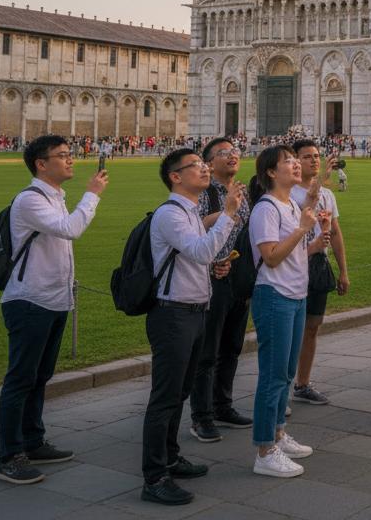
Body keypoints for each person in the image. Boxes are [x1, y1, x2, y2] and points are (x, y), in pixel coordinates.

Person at [0, 135, 108, 485]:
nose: (71, 160)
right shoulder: (31, 200)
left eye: (69, 154)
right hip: (29, 300)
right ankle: (9, 457)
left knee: (40, 377)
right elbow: (71, 230)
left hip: (55, 300)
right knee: (20, 379)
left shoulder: (55, 198)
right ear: (41, 164)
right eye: (62, 156)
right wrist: (93, 194)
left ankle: (33, 440)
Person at [141, 149, 243, 505]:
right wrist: (229, 213)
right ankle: (154, 476)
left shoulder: (190, 212)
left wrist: (217, 267)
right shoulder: (171, 214)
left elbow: (196, 258)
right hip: (173, 315)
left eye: (203, 165)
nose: (203, 169)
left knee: (180, 393)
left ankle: (170, 457)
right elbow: (200, 251)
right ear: (175, 177)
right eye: (196, 166)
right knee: (165, 397)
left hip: (194, 310)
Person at [247, 145, 327, 478]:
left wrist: (313, 242)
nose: (296, 164)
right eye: (288, 162)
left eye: (296, 160)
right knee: (273, 375)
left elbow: (293, 254)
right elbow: (271, 257)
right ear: (270, 172)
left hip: (295, 294)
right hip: (274, 295)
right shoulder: (266, 208)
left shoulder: (291, 203)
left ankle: (279, 432)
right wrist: (301, 228)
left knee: (287, 373)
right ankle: (264, 449)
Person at [189, 138, 253, 444]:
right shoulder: (203, 192)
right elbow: (193, 227)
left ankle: (223, 405)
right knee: (207, 351)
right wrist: (227, 210)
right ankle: (201, 416)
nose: (232, 156)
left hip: (237, 278)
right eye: (224, 153)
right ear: (209, 163)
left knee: (232, 346)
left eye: (234, 152)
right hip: (209, 276)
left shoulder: (242, 191)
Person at [290, 141, 349, 406]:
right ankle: (280, 388)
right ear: (294, 162)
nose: (313, 161)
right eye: (306, 157)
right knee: (291, 329)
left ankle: (302, 383)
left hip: (318, 266)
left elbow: (335, 233)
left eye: (316, 156)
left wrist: (343, 271)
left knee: (312, 326)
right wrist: (321, 181)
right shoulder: (287, 193)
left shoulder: (328, 195)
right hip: (292, 267)